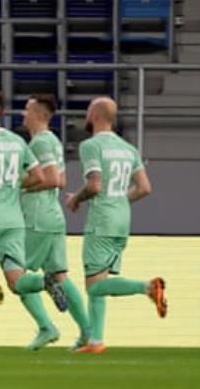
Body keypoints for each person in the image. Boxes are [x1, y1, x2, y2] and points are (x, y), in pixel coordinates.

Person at [0, 90, 69, 353]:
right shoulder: (18, 142)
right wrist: (15, 184)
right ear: (2, 113)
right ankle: (45, 286)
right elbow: (40, 177)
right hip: (15, 219)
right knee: (16, 280)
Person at [66, 96, 167, 354]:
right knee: (100, 281)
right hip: (122, 219)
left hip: (102, 220)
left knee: (94, 285)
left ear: (96, 116)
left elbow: (94, 185)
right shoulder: (128, 149)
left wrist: (76, 199)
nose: (87, 117)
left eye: (89, 112)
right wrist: (120, 201)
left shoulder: (91, 146)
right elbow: (145, 187)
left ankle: (147, 287)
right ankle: (96, 341)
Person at [20, 94, 90, 350]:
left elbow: (54, 180)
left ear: (39, 114)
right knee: (60, 275)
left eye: (27, 110)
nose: (23, 115)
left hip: (37, 217)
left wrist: (17, 184)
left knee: (16, 274)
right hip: (52, 216)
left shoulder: (39, 142)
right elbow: (59, 178)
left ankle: (46, 326)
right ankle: (87, 333)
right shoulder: (52, 141)